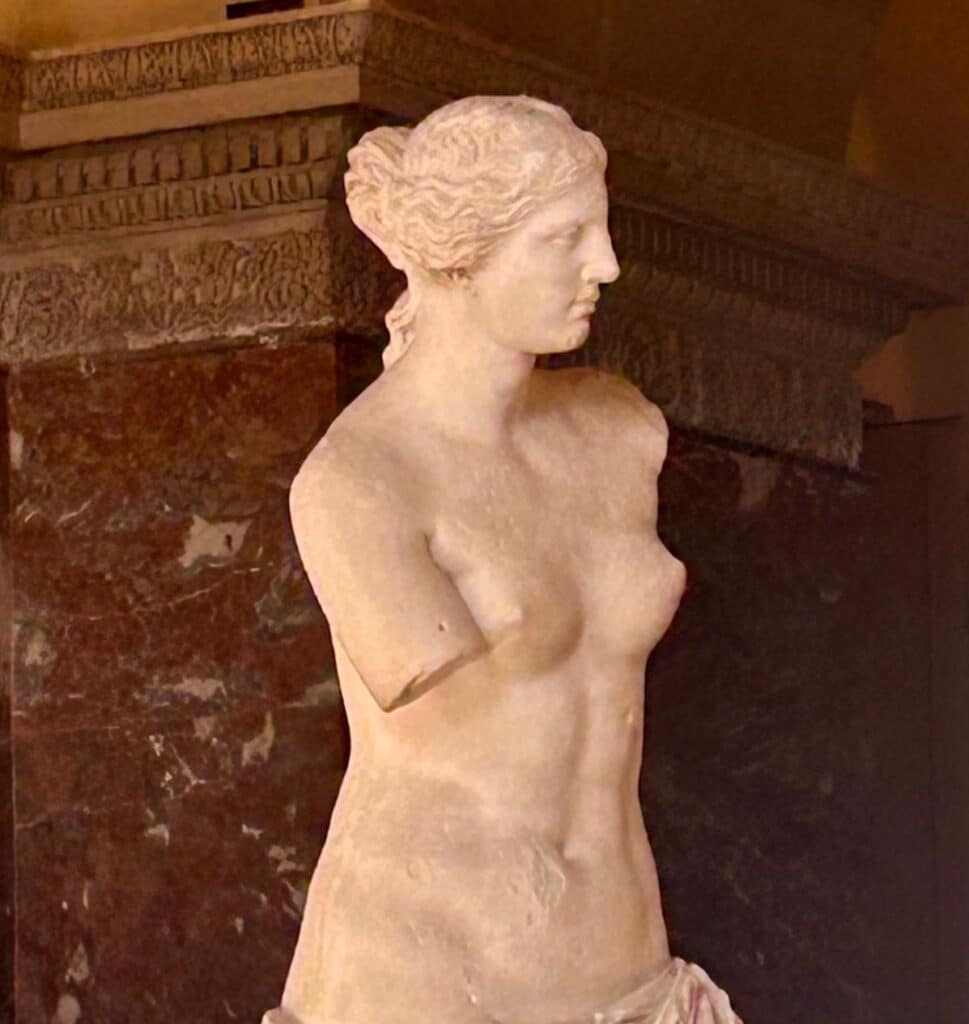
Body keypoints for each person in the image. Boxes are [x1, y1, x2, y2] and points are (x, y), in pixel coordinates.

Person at [264, 95, 741, 1024]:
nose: (605, 265)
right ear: (460, 259)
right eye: (565, 238)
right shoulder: (362, 481)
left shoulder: (618, 428)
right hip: (430, 964)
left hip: (624, 960)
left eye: (598, 231)